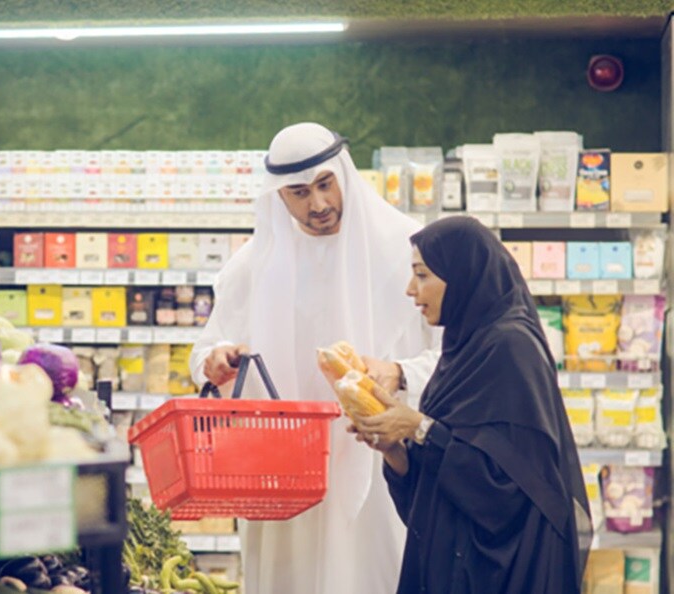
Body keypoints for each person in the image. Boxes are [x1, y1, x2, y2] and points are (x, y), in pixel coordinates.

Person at [190, 122, 441, 593]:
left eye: (325, 185)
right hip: (280, 470)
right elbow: (206, 349)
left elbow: (452, 353)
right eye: (300, 193)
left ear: (343, 175)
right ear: (278, 197)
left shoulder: (407, 248)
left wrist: (400, 372)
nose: (319, 204)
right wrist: (215, 359)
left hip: (379, 457)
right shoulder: (255, 263)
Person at [351, 216, 592, 593]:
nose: (410, 290)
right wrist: (395, 452)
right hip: (451, 566)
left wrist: (419, 428)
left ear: (464, 274)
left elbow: (512, 489)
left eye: (423, 275)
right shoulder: (463, 346)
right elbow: (438, 492)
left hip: (499, 575)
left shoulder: (511, 348)